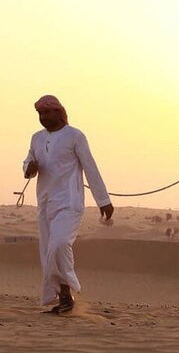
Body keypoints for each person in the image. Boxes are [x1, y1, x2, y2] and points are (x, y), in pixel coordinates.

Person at [22, 95, 114, 314]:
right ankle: (64, 295)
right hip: (45, 203)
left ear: (58, 112)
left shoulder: (75, 136)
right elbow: (27, 164)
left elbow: (90, 167)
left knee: (60, 244)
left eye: (46, 112)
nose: (43, 117)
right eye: (39, 114)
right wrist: (30, 168)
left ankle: (67, 288)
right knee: (48, 251)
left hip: (69, 201)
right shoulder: (36, 138)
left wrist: (103, 200)